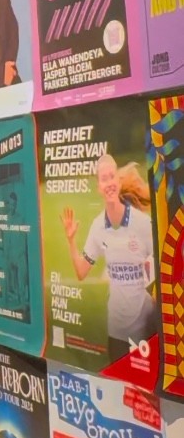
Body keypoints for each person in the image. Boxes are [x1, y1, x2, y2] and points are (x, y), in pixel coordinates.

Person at [60, 154, 157, 364]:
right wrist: (71, 240)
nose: (109, 183)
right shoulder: (98, 227)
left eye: (112, 176)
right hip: (116, 333)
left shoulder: (143, 224)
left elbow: (160, 268)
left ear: (118, 182)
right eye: (104, 179)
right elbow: (81, 272)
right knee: (120, 381)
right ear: (99, 187)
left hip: (146, 329)